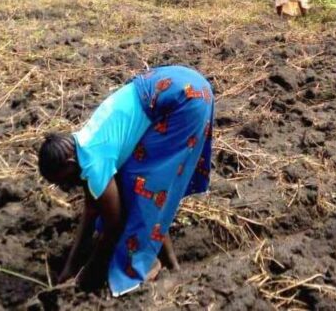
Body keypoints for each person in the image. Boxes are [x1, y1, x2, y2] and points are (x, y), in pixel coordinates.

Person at [37, 65, 214, 297]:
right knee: (140, 188)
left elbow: (114, 224)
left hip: (185, 100)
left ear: (70, 166)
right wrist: (69, 269)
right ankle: (172, 264)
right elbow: (91, 211)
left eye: (64, 182)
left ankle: (144, 263)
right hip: (181, 83)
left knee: (139, 188)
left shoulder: (94, 165)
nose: (66, 188)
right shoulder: (87, 140)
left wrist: (86, 277)